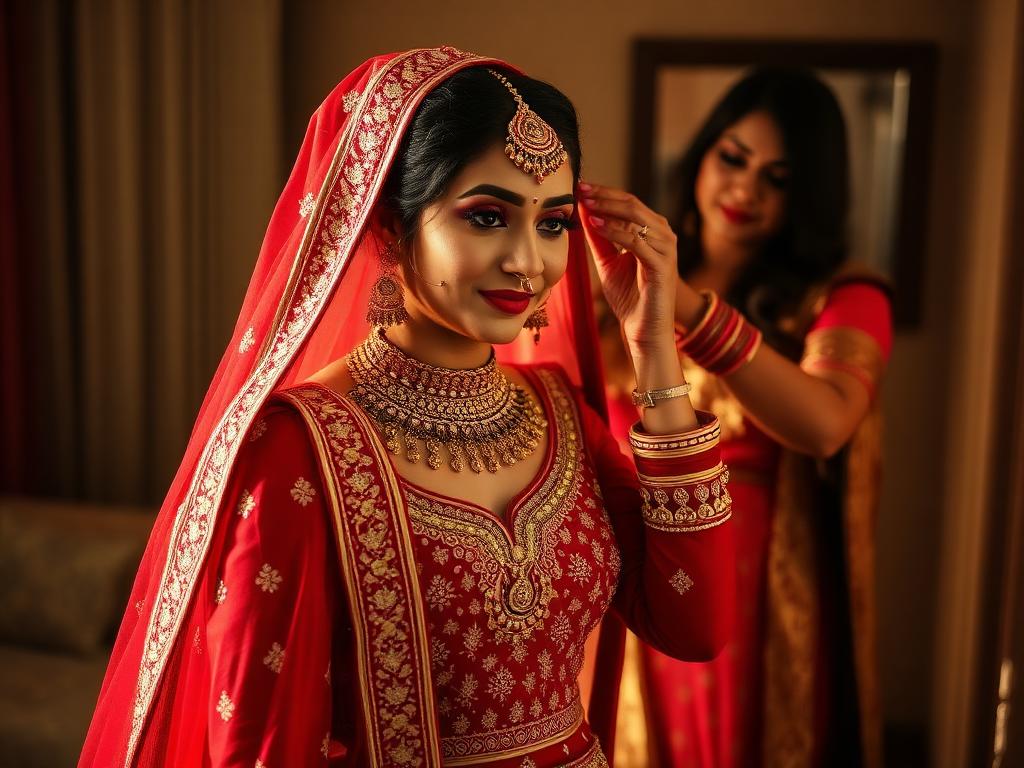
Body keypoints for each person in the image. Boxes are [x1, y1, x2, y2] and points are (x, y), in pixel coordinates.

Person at [78, 47, 737, 768]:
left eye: (553, 224)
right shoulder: (299, 447)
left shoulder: (559, 412)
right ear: (390, 225)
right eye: (487, 217)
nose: (529, 260)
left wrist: (652, 350)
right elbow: (263, 743)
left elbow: (693, 625)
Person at [584, 68, 892, 767]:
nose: (745, 190)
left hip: (750, 588)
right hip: (625, 564)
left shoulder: (840, 297)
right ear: (702, 153)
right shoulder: (614, 282)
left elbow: (825, 422)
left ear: (808, 196)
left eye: (778, 179)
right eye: (734, 158)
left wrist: (682, 309)